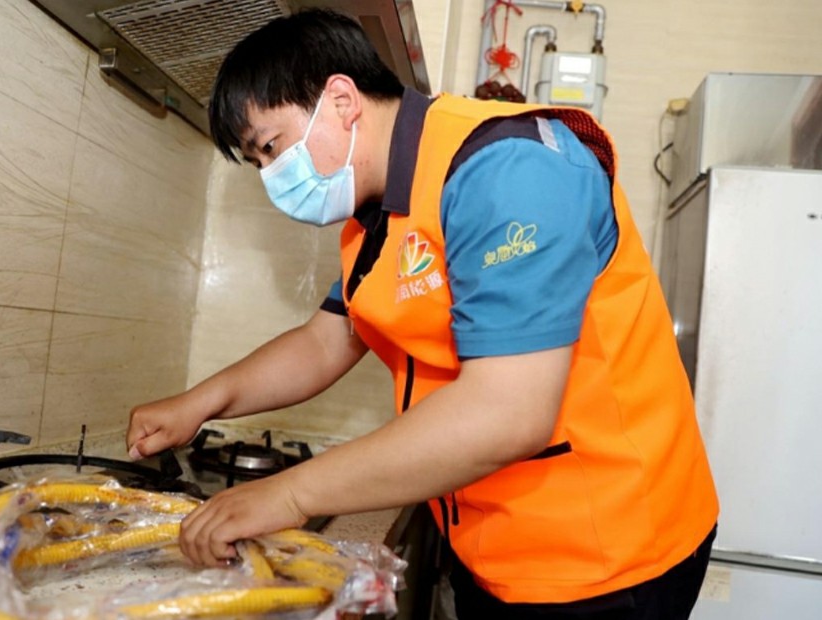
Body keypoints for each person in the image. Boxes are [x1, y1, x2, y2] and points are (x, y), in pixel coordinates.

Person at [125, 9, 719, 619]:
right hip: (494, 540)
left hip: (606, 553)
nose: (273, 178)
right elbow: (325, 342)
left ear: (341, 100)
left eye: (271, 148)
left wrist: (292, 492)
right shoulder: (378, 214)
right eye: (259, 164)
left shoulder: (508, 168)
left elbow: (508, 413)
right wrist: (198, 404)